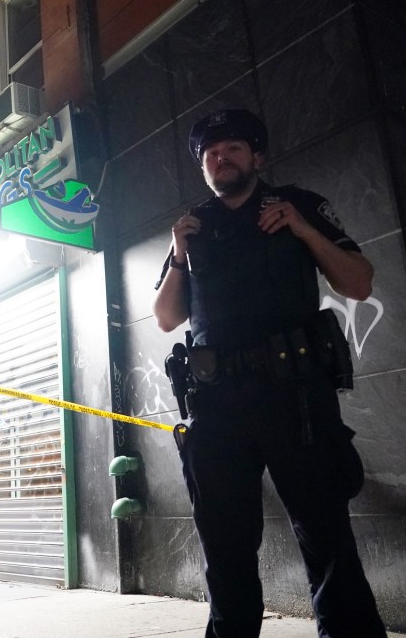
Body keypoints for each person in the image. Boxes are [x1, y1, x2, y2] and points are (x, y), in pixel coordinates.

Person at [153, 109, 385, 637]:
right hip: (215, 404)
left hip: (295, 394)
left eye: (233, 148)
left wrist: (303, 230)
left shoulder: (296, 204)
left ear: (256, 156)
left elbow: (359, 282)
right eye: (211, 153)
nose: (221, 157)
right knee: (225, 542)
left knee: (326, 535)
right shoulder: (192, 226)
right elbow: (167, 318)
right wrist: (178, 254)